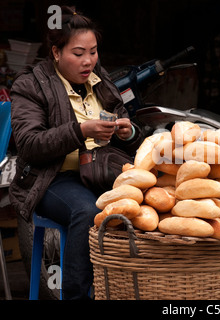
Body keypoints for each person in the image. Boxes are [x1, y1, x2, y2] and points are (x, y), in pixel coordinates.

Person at [9, 6, 142, 299]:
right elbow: (29, 145)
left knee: (146, 208)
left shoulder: (100, 79)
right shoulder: (30, 84)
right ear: (56, 52)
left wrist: (127, 132)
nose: (88, 62)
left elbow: (125, 123)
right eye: (78, 53)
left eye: (93, 52)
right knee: (89, 211)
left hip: (101, 171)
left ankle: (127, 292)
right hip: (52, 179)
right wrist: (80, 132)